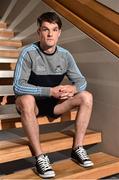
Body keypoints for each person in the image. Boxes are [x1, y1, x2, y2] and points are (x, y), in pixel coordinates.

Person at [13, 12, 93, 179]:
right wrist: (49, 91)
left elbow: (82, 81)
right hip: (31, 105)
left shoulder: (65, 55)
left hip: (54, 104)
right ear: (39, 32)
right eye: (45, 29)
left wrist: (72, 89)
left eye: (54, 30)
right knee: (27, 99)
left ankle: (77, 148)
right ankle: (40, 157)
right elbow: (18, 86)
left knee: (86, 96)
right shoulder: (28, 53)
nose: (50, 34)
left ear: (59, 33)